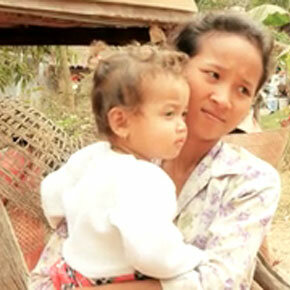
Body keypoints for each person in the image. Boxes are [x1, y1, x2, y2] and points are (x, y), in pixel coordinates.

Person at [30, 11, 281, 290]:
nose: (223, 99)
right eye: (213, 74)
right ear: (177, 68)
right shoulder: (108, 161)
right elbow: (46, 273)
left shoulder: (250, 181)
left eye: (243, 90)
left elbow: (217, 282)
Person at [40, 49, 205, 289]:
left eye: (184, 114)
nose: (182, 126)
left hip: (71, 276)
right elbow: (153, 254)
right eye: (169, 114)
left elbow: (51, 194)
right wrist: (190, 259)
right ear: (121, 122)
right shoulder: (146, 179)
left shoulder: (90, 156)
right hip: (117, 280)